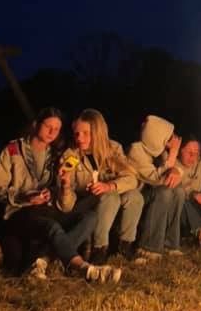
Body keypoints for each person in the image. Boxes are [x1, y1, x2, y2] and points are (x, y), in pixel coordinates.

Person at [0, 107, 120, 283]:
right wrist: (24, 197)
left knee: (90, 217)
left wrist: (59, 188)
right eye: (48, 126)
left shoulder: (55, 155)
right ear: (36, 125)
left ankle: (43, 261)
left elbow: (60, 196)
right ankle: (85, 269)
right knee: (52, 227)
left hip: (46, 209)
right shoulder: (14, 150)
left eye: (57, 129)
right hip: (19, 211)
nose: (52, 132)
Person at [57, 108, 143, 262]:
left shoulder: (113, 148)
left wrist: (110, 185)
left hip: (110, 200)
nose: (79, 138)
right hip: (86, 205)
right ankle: (99, 249)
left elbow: (132, 179)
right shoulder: (71, 156)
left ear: (98, 132)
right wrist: (65, 185)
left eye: (85, 133)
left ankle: (125, 246)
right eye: (77, 133)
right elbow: (66, 206)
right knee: (110, 197)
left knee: (134, 196)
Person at [127, 115, 184, 260]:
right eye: (169, 138)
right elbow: (156, 179)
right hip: (137, 197)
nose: (172, 141)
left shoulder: (159, 151)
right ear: (157, 137)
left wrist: (176, 170)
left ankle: (169, 243)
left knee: (178, 191)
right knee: (164, 192)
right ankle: (147, 247)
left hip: (152, 193)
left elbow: (174, 171)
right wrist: (173, 155)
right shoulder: (135, 151)